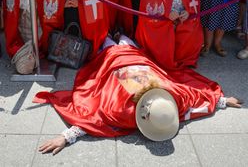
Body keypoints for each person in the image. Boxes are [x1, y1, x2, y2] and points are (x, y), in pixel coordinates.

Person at [35, 42, 242, 155]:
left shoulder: (174, 98)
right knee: (113, 40)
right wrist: (220, 101)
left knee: (112, 39)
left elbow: (196, 98)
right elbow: (94, 117)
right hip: (119, 56)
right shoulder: (124, 110)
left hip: (125, 56)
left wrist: (223, 101)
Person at [136, 0, 203, 70]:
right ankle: (164, 57)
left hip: (183, 16)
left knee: (192, 27)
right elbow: (148, 9)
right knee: (164, 32)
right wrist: (166, 15)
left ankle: (183, 57)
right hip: (161, 20)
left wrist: (188, 11)